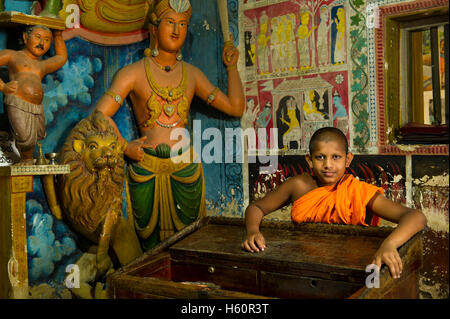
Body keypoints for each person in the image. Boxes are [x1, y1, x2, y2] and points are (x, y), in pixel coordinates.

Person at [95, 0, 244, 250]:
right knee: (148, 246)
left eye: (183, 24)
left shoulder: (191, 74)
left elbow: (235, 108)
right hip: (146, 167)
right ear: (154, 27)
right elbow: (99, 116)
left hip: (184, 166)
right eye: (170, 22)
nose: (176, 30)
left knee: (190, 241)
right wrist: (123, 146)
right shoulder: (132, 73)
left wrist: (231, 68)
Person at [241, 127, 427, 280]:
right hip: (304, 267)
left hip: (354, 271)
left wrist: (390, 244)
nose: (328, 164)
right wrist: (253, 231)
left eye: (336, 157)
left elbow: (416, 217)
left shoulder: (358, 192)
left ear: (348, 159)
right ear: (309, 160)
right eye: (320, 157)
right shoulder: (298, 186)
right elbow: (256, 207)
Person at [0, 25, 67, 165]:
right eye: (38, 37)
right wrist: (3, 86)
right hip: (16, 100)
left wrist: (58, 36)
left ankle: (27, 160)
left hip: (36, 106)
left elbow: (61, 57)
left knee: (34, 137)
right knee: (23, 136)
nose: (41, 43)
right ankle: (26, 159)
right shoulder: (13, 56)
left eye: (47, 39)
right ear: (25, 37)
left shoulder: (41, 65)